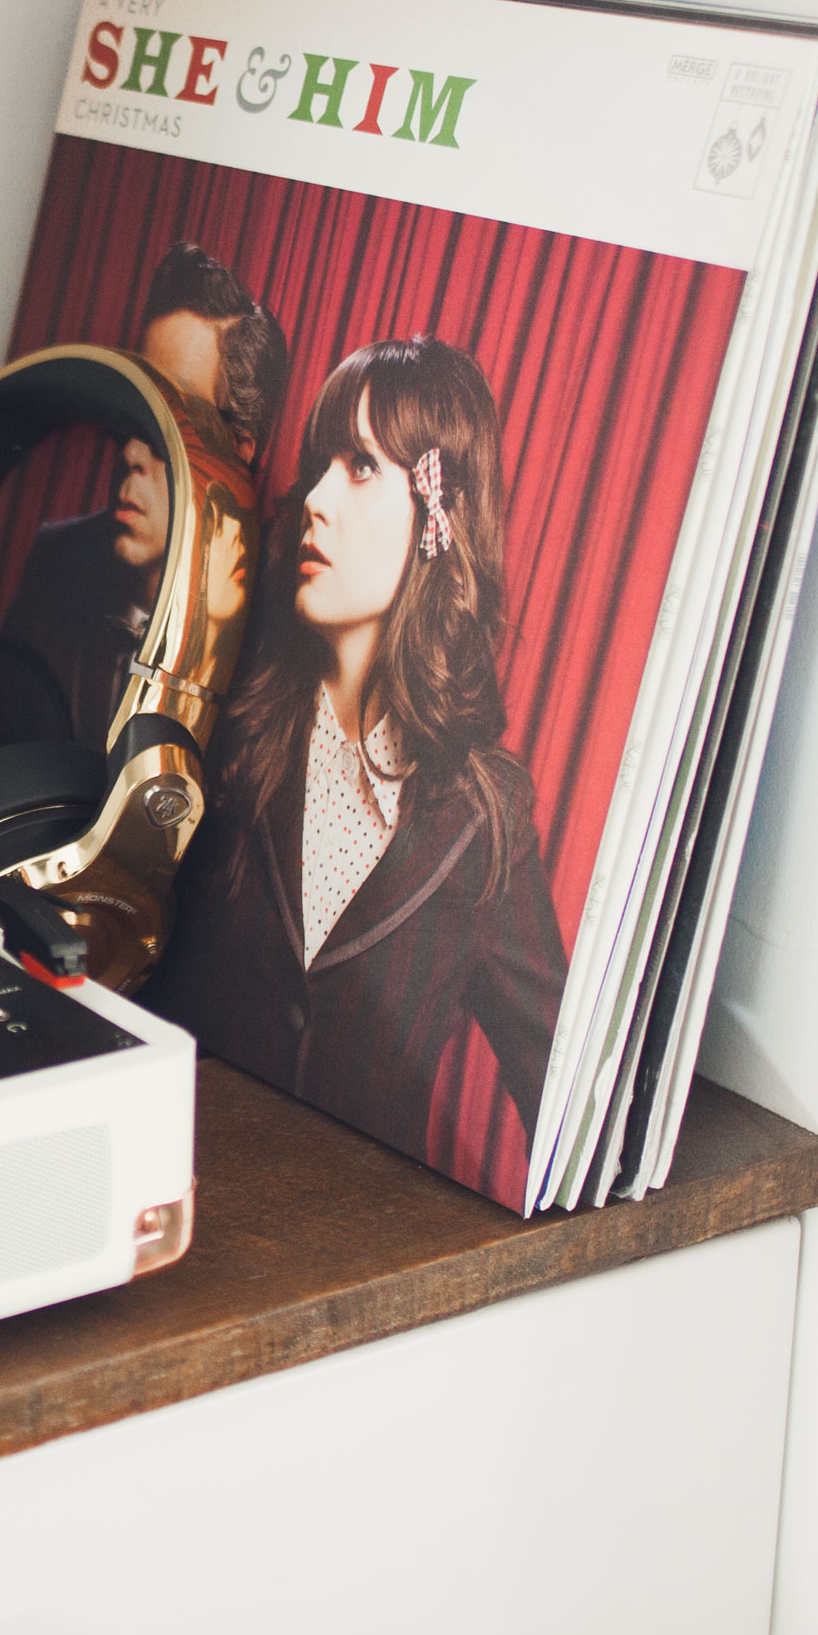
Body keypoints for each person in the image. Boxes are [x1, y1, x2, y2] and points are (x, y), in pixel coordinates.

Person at [147, 335, 568, 1195]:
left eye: (362, 466)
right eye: (319, 464)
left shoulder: (483, 825)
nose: (316, 499)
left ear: (437, 520)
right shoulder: (228, 720)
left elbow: (571, 1099)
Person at [0, 244, 286, 746]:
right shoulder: (57, 560)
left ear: (236, 453)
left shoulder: (280, 639)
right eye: (137, 401)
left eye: (172, 418)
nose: (133, 448)